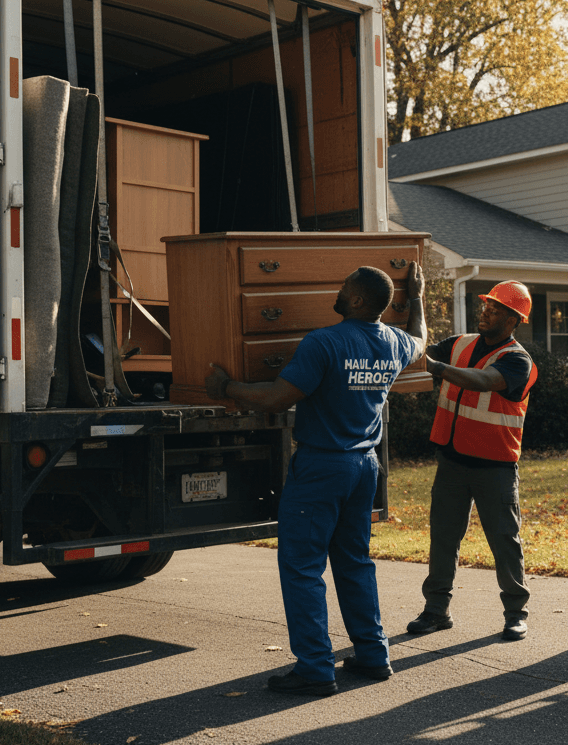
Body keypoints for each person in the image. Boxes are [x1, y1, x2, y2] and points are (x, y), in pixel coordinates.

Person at [205, 263, 426, 696]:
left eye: (344, 287)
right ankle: (372, 654)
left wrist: (227, 387)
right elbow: (421, 340)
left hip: (322, 468)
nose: (338, 291)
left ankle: (314, 668)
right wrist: (415, 295)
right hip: (364, 467)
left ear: (358, 299)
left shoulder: (325, 342)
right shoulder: (395, 342)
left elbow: (275, 397)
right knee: (354, 562)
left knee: (303, 567)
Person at [406, 281, 538, 642]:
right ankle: (436, 611)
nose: (486, 312)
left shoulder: (517, 360)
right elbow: (416, 347)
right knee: (443, 539)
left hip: (494, 468)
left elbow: (483, 381)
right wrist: (416, 298)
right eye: (486, 306)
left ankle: (516, 613)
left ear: (514, 319)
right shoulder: (459, 344)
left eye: (495, 309)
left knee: (504, 541)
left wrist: (434, 366)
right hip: (451, 461)